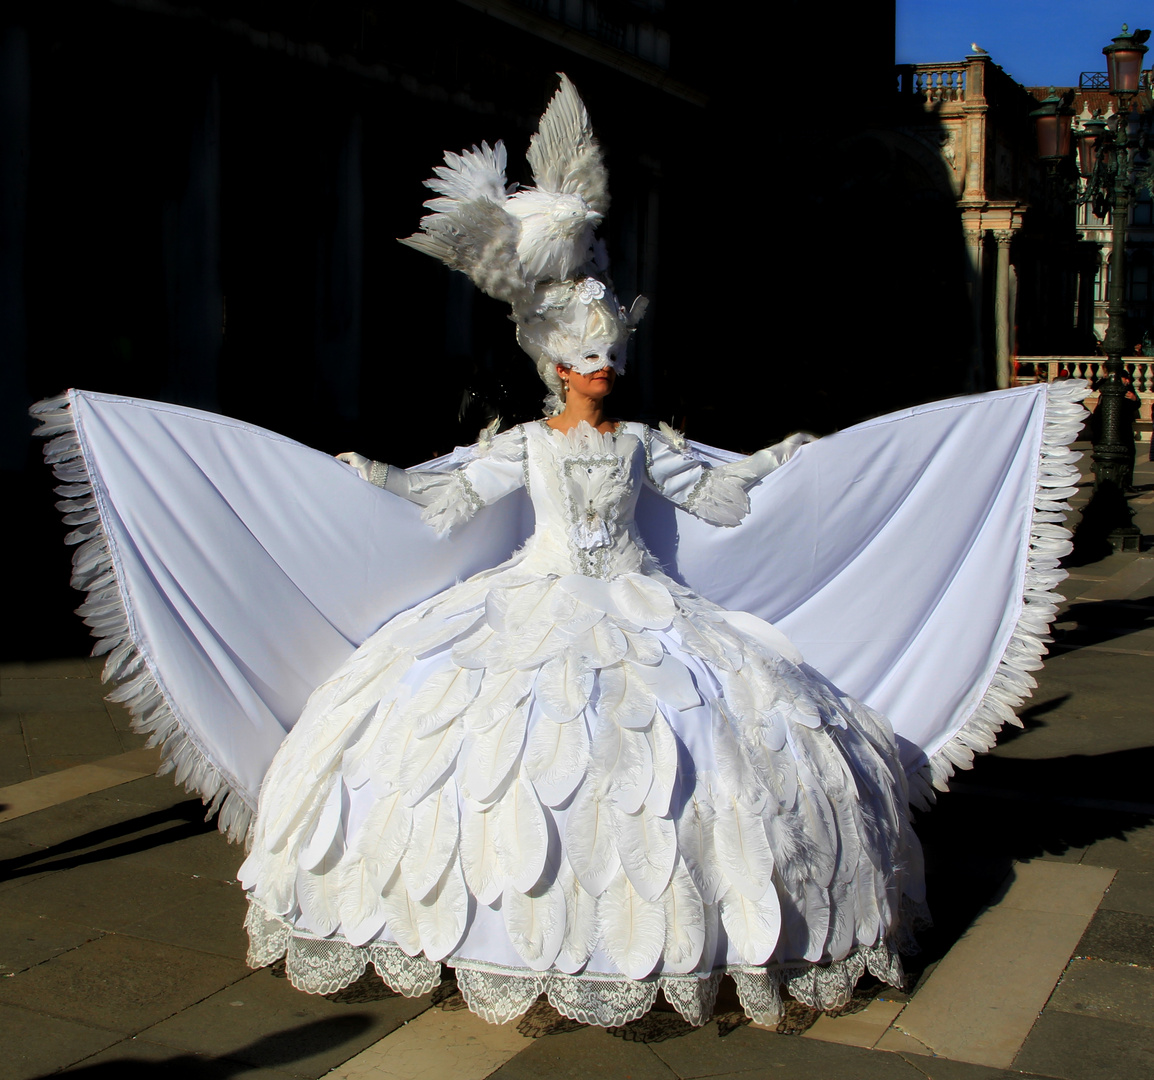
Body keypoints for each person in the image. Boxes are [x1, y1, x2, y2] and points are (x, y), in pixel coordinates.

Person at [31, 75, 1086, 1029]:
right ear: (552, 365)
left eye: (608, 357)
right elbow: (440, 493)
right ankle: (492, 930)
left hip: (642, 608)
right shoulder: (524, 447)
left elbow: (717, 490)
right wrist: (368, 479)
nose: (600, 372)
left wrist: (780, 465)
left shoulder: (640, 444)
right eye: (584, 360)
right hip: (529, 604)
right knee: (487, 763)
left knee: (690, 756)